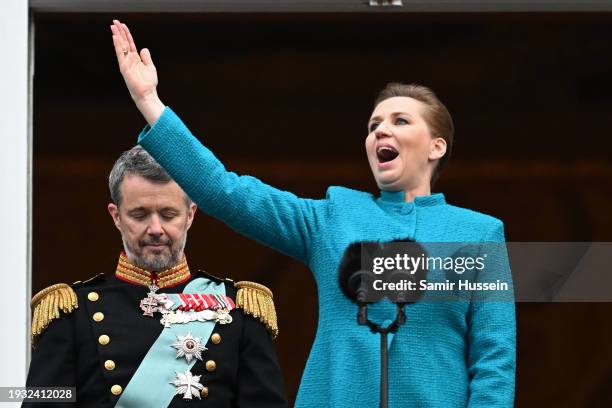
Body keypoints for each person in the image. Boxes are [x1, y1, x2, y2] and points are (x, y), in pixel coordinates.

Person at [110, 20, 516, 408]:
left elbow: (494, 360)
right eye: (374, 125)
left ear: (436, 147)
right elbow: (225, 190)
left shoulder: (479, 235)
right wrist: (150, 102)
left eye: (400, 121)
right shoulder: (332, 218)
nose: (379, 131)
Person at [24, 146, 288, 408]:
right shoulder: (71, 312)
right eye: (139, 215)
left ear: (190, 215)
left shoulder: (238, 310)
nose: (155, 229)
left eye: (168, 214)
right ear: (116, 217)